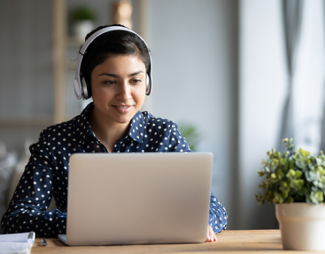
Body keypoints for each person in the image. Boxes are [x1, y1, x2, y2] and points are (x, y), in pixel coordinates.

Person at [1, 24, 227, 241]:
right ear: (85, 85)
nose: (125, 94)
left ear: (147, 83)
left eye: (136, 80)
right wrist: (88, 222)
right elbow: (16, 219)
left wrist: (200, 221)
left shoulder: (164, 134)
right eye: (110, 82)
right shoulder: (55, 141)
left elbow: (215, 209)